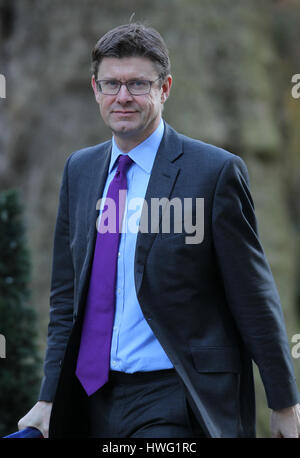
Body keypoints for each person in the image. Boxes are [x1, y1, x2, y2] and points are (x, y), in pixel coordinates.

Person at [18, 22, 300, 438]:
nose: (123, 97)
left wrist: (284, 402)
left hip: (176, 393)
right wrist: (48, 397)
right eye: (111, 84)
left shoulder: (214, 173)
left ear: (164, 87)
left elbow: (253, 296)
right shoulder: (79, 170)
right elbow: (66, 298)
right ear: (95, 89)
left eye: (138, 84)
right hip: (90, 395)